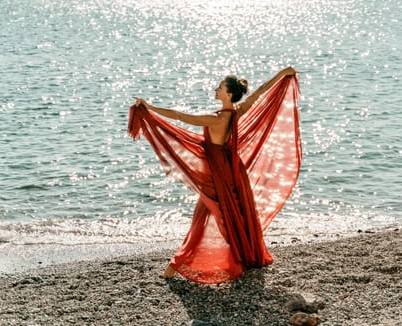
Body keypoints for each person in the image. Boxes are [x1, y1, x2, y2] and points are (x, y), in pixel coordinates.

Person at [128, 66, 301, 284]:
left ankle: (177, 264)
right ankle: (239, 257)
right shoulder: (236, 112)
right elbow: (260, 92)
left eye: (220, 87)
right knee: (232, 214)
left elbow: (180, 116)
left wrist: (150, 107)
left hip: (218, 173)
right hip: (233, 169)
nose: (216, 89)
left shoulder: (215, 119)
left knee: (207, 216)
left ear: (228, 94)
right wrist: (282, 74)